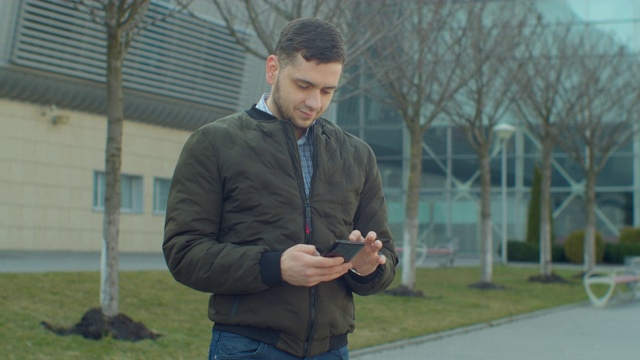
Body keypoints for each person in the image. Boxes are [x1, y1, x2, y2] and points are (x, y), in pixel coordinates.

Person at [163, 18, 397, 359]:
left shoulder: (357, 155)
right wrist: (275, 267)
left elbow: (386, 256)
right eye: (303, 85)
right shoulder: (213, 144)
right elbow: (183, 252)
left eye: (327, 90)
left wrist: (368, 267)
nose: (315, 103)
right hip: (249, 346)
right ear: (273, 69)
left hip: (332, 350)